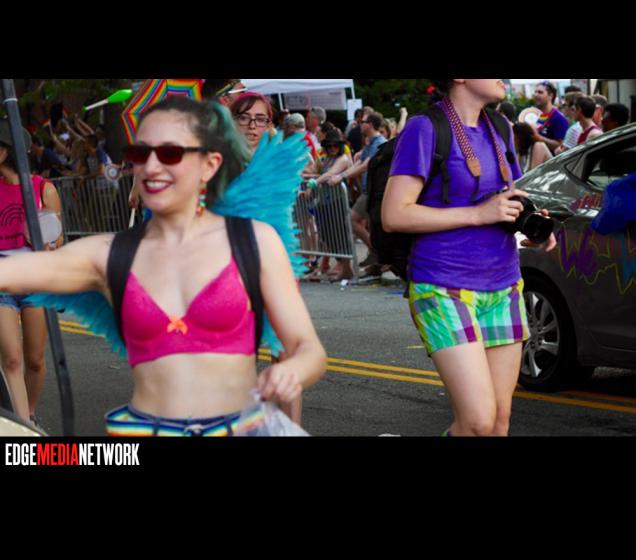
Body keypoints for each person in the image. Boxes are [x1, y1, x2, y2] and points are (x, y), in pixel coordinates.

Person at [0, 97, 326, 436]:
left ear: (209, 164)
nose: (152, 167)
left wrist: (292, 371)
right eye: (141, 154)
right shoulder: (109, 255)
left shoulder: (254, 241)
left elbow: (308, 349)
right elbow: (11, 273)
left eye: (170, 153)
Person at [382, 79, 557, 437]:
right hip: (442, 286)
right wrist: (478, 214)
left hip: (504, 285)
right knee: (477, 422)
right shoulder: (424, 128)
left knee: (498, 423)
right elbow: (394, 214)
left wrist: (531, 221)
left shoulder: (501, 126)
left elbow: (509, 195)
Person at [0, 119, 64, 424]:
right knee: (12, 359)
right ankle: (23, 425)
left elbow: (58, 236)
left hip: (36, 281)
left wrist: (53, 247)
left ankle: (31, 413)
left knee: (35, 360)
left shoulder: (43, 189)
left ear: (5, 152)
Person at [329, 111, 387, 276]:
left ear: (371, 124)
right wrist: (342, 175)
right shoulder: (371, 143)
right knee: (369, 226)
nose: (360, 124)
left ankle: (377, 253)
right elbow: (360, 163)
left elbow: (365, 165)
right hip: (369, 190)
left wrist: (341, 176)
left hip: (373, 191)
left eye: (363, 122)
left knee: (352, 219)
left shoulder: (379, 142)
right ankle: (377, 259)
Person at [532, 80, 569, 153]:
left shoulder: (559, 118)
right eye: (535, 92)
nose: (536, 95)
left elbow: (560, 145)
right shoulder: (539, 115)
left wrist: (539, 138)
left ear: (550, 96)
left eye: (540, 92)